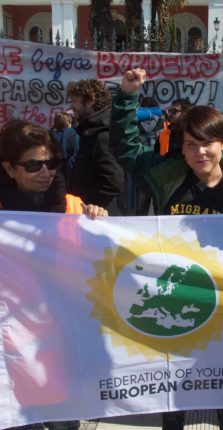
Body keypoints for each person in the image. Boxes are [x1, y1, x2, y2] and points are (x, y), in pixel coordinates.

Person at [109, 68, 223, 430]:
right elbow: (124, 147)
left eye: (207, 143)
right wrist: (126, 96)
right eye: (190, 144)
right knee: (174, 387)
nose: (200, 152)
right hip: (175, 295)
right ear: (180, 147)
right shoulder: (167, 174)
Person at [0, 119, 108, 430]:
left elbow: (103, 259)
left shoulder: (73, 208)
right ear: (9, 168)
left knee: (64, 424)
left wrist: (101, 221)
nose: (46, 172)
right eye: (33, 165)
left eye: (51, 162)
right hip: (12, 350)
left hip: (60, 347)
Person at [67, 79, 126, 215]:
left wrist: (88, 204)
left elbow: (113, 180)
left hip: (98, 217)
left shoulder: (102, 134)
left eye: (75, 101)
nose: (72, 106)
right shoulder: (92, 130)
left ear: (91, 100)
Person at [49, 111, 80, 188]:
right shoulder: (71, 133)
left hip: (54, 168)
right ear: (67, 122)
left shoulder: (50, 134)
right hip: (69, 168)